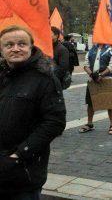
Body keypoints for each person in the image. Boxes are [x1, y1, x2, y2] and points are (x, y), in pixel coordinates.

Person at [0, 25, 66, 199]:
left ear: (31, 47)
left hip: (22, 173)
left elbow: (54, 122)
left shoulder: (44, 78)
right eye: (9, 45)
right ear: (1, 49)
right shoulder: (2, 75)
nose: (15, 48)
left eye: (21, 44)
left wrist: (18, 155)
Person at [78, 44, 112, 135]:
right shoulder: (92, 49)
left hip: (106, 79)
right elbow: (86, 65)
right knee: (90, 102)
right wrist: (91, 74)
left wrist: (101, 75)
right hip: (92, 79)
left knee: (109, 103)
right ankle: (90, 123)